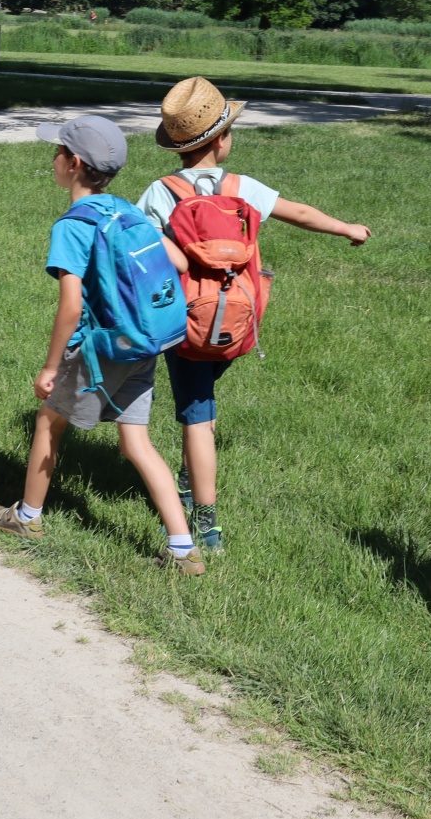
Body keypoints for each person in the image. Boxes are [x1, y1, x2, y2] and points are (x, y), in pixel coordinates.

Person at [134, 77, 371, 552]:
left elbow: (137, 248)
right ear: (222, 140)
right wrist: (346, 227)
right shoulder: (243, 188)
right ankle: (190, 483)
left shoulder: (161, 192)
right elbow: (299, 213)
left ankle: (205, 523)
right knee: (202, 407)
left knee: (196, 415)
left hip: (186, 324)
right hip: (238, 321)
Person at [0, 116, 202, 571]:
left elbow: (71, 307)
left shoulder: (73, 225)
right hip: (143, 342)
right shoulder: (126, 210)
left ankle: (27, 518)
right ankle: (183, 548)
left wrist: (50, 367)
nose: (53, 159)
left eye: (57, 152)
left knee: (48, 422)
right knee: (136, 442)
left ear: (74, 163)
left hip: (102, 350)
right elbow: (179, 261)